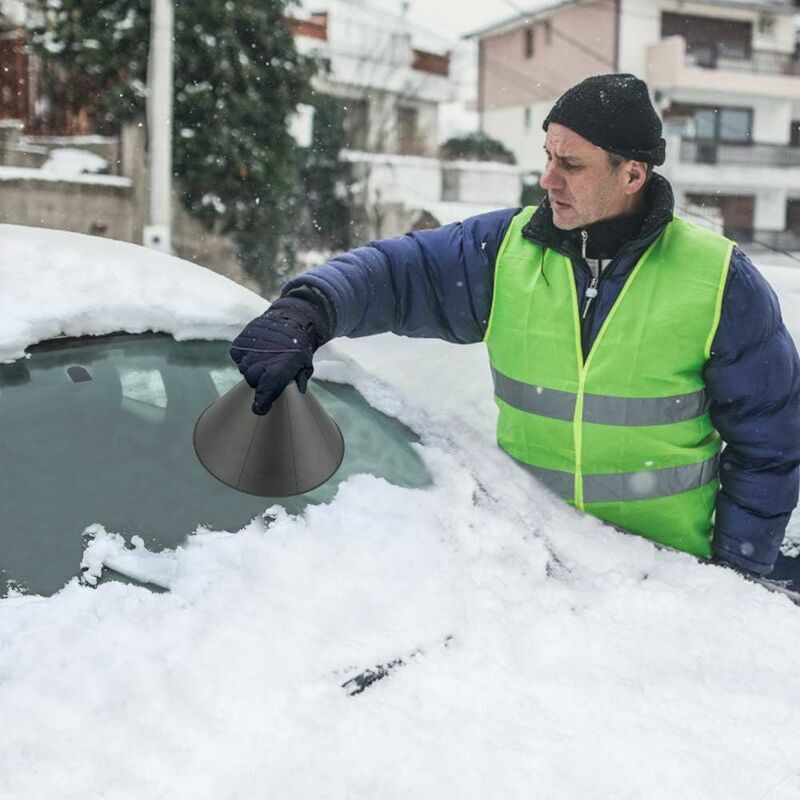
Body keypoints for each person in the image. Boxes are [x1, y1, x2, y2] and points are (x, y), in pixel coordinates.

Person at [230, 73, 800, 581]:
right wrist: (306, 311)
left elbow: (771, 445)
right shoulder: (505, 250)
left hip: (664, 577)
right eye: (548, 156)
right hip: (532, 567)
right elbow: (397, 272)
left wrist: (735, 574)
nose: (548, 178)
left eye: (571, 164)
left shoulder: (719, 280)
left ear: (633, 173)